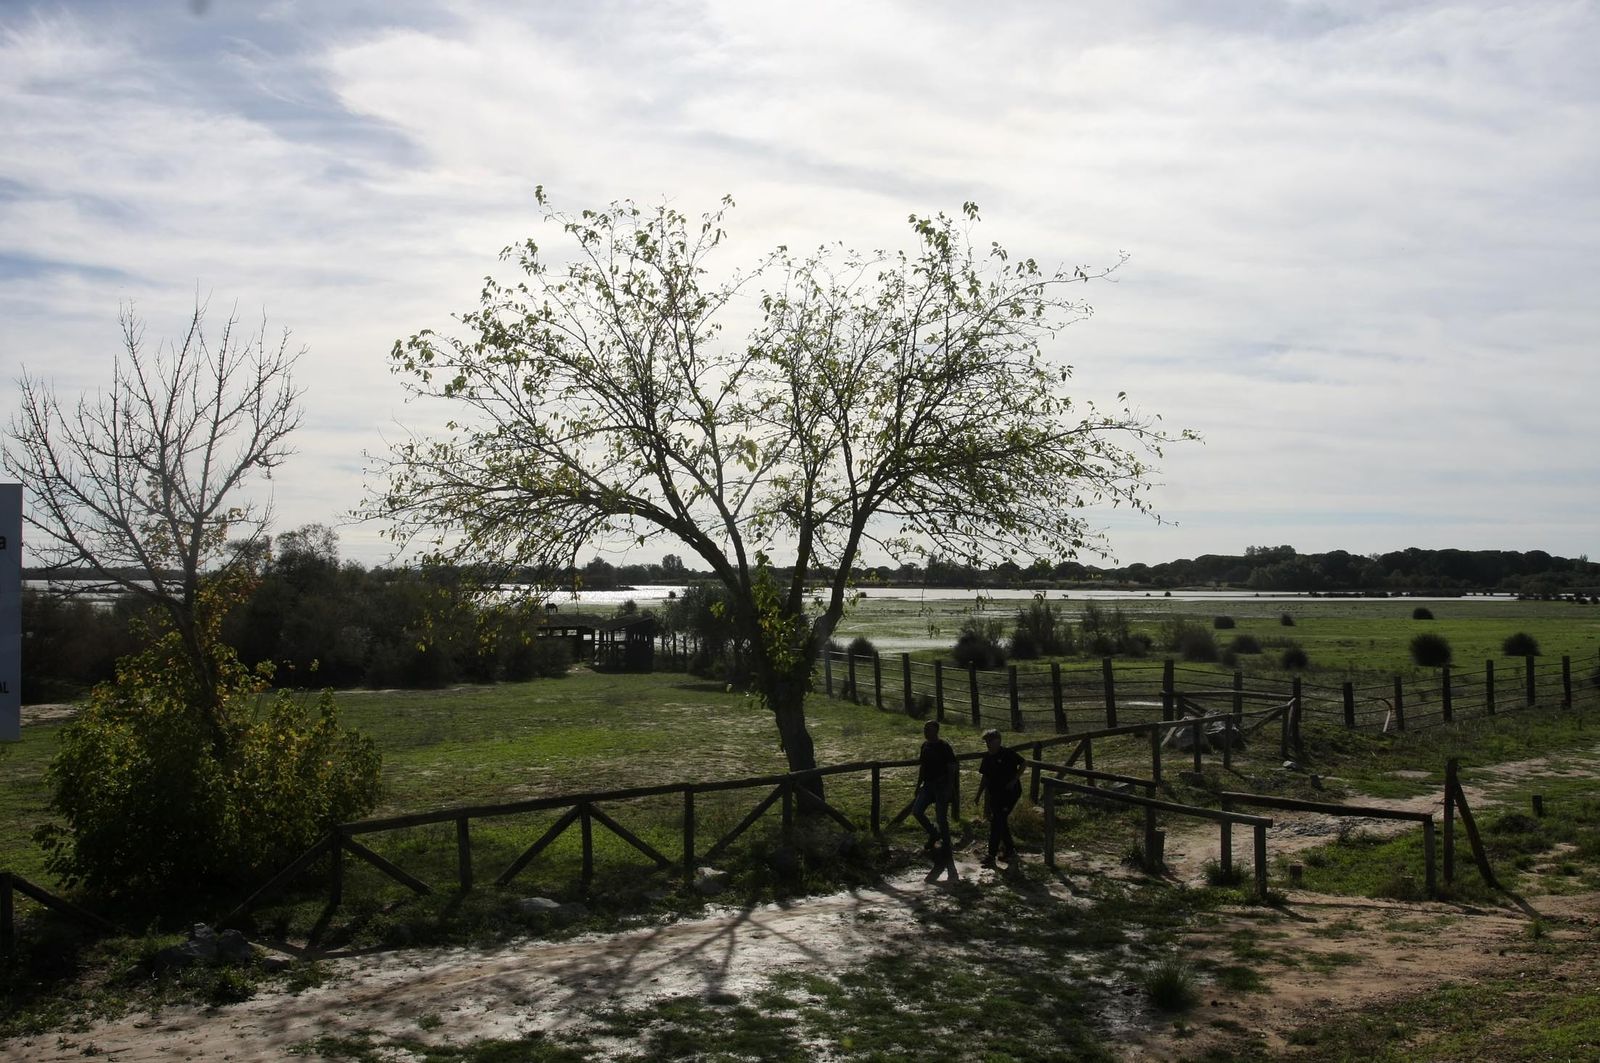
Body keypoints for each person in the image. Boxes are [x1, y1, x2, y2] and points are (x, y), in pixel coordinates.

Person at [974, 728, 1025, 869]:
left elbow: (1024, 763)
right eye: (987, 741)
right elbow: (985, 777)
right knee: (1000, 821)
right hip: (995, 794)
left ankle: (991, 855)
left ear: (998, 741)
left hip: (1010, 793)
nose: (988, 744)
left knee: (997, 822)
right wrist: (978, 795)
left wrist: (1015, 779)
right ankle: (1010, 850)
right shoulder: (987, 758)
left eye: (991, 741)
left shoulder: (1008, 753)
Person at [911, 719, 958, 864]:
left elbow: (952, 767)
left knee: (941, 817)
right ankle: (933, 833)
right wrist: (918, 785)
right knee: (917, 811)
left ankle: (946, 846)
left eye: (928, 730)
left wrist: (950, 788)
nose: (926, 732)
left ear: (935, 731)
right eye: (925, 729)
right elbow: (922, 767)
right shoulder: (925, 746)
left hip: (942, 785)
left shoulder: (944, 746)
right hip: (928, 785)